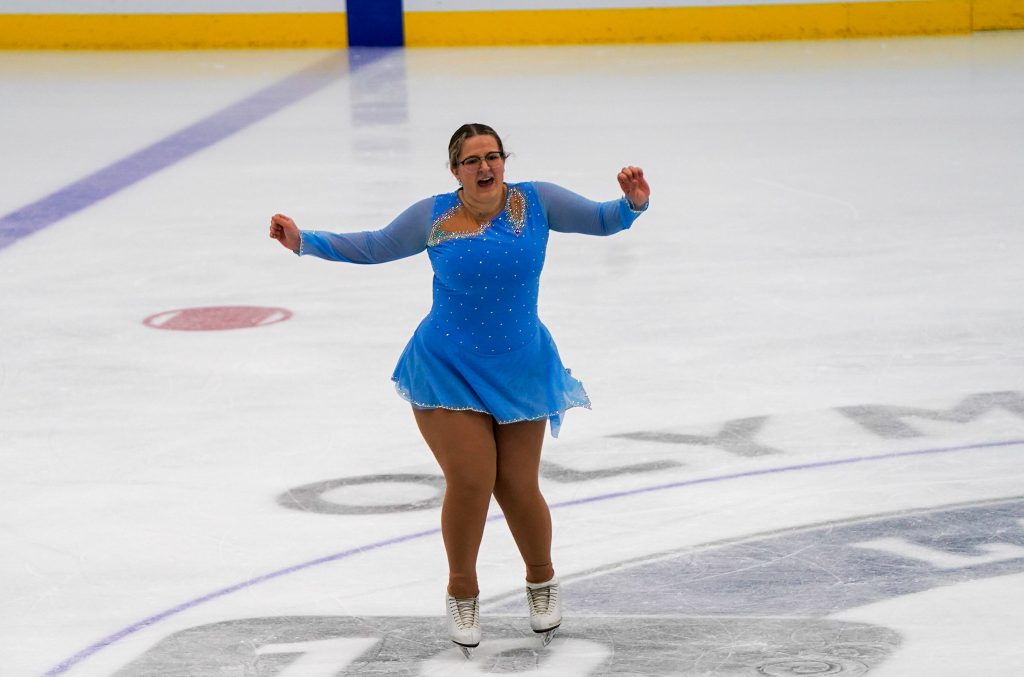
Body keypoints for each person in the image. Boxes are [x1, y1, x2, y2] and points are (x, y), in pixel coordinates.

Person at [269, 123, 649, 654]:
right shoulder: (433, 217)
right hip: (446, 367)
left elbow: (604, 219)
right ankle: (462, 590)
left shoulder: (538, 202)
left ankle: (541, 581)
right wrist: (305, 241)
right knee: (472, 479)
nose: (485, 167)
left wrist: (631, 203)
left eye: (493, 156)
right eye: (472, 160)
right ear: (455, 171)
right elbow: (376, 246)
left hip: (520, 368)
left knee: (518, 485)